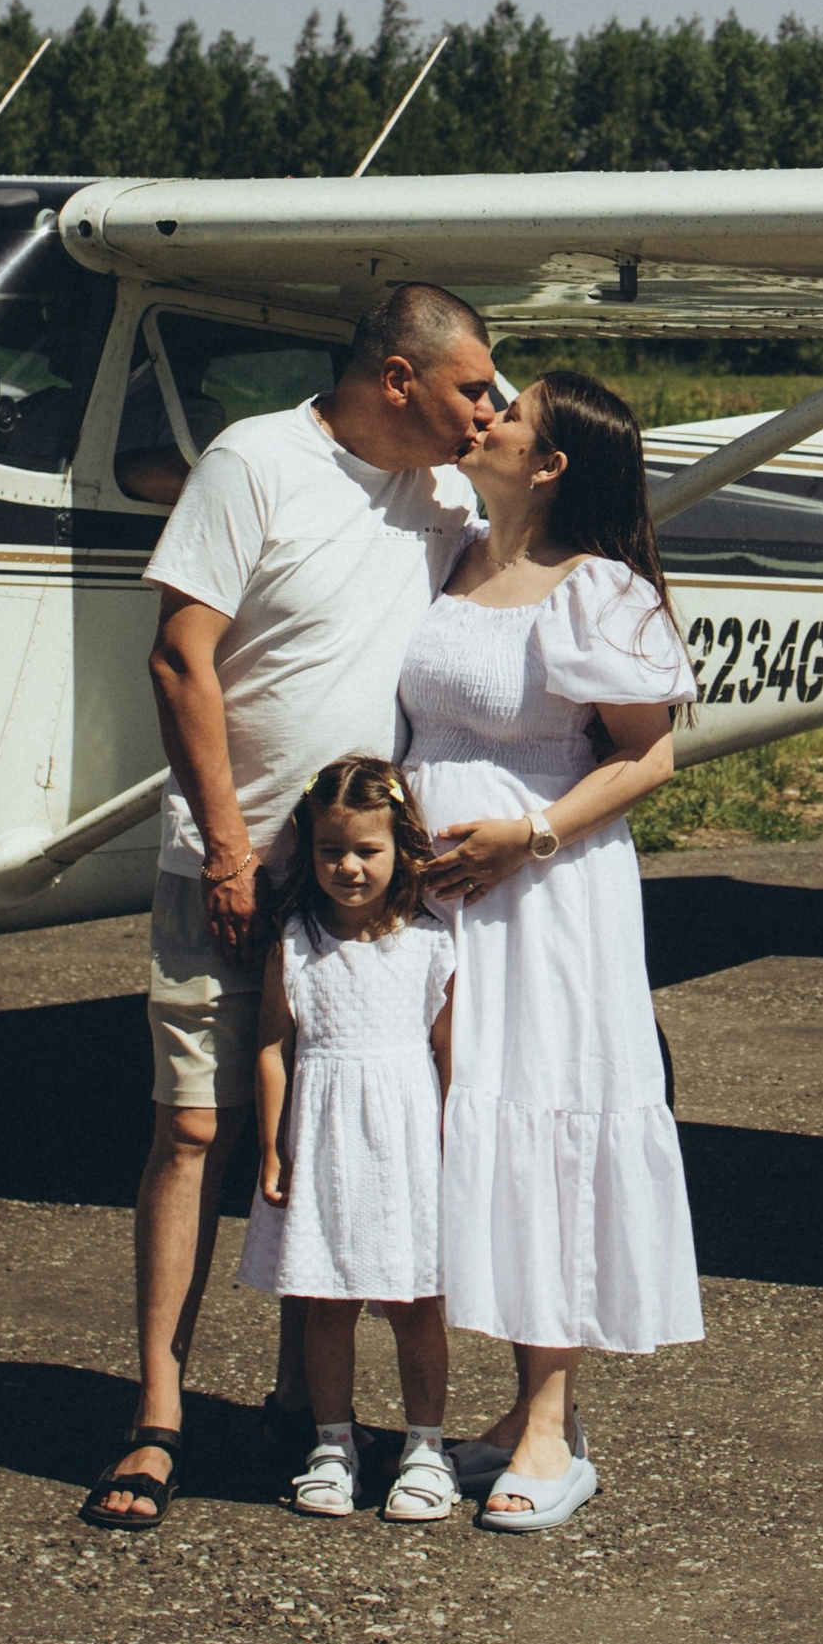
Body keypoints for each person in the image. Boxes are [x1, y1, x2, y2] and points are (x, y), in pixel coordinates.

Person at [78, 283, 497, 1535]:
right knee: (199, 1130)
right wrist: (222, 848)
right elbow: (179, 653)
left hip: (366, 887)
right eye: (475, 385)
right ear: (398, 379)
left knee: (323, 1137)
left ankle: (297, 1400)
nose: (494, 406)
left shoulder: (450, 499)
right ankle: (157, 1413)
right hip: (231, 862)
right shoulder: (254, 460)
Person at [401, 366, 702, 1532]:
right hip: (439, 894)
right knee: (460, 1122)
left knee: (545, 1119)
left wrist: (524, 837)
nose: (487, 417)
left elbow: (648, 757)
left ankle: (550, 1422)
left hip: (545, 891)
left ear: (551, 462)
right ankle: (519, 1408)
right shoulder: (453, 552)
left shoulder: (600, 589)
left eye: (509, 412)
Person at [235, 756, 460, 1525]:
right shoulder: (296, 942)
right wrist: (272, 1145)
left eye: (367, 849)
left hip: (404, 1150)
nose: (349, 867)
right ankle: (333, 1443)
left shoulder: (431, 943)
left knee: (413, 1301)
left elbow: (446, 1053)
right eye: (332, 850)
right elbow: (272, 1045)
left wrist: (451, 1142)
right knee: (325, 1302)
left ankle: (424, 1447)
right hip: (323, 1142)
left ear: (400, 847)